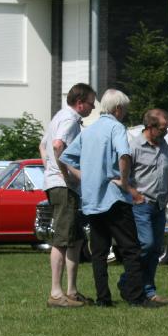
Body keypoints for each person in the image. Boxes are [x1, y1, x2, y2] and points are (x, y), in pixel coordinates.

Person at [60, 89, 159, 308]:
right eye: (125, 110)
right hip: (114, 199)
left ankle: (103, 298)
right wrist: (124, 181)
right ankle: (136, 296)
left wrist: (85, 177)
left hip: (93, 199)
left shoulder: (89, 131)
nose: (125, 113)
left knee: (99, 252)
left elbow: (66, 157)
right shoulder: (116, 127)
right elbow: (124, 154)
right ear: (118, 109)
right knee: (131, 249)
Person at [41, 83, 96, 308]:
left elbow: (42, 146)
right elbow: (57, 146)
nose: (93, 108)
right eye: (91, 103)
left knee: (76, 238)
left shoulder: (59, 116)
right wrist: (66, 174)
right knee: (63, 239)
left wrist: (49, 170)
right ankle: (56, 293)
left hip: (59, 184)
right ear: (80, 103)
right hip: (64, 186)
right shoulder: (70, 119)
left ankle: (71, 291)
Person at [119, 108, 168, 304]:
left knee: (155, 249)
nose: (166, 132)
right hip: (141, 205)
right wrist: (134, 194)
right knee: (146, 245)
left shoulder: (164, 144)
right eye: (163, 128)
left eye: (167, 128)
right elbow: (122, 177)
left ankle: (149, 290)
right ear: (150, 127)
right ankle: (127, 281)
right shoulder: (134, 146)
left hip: (160, 204)